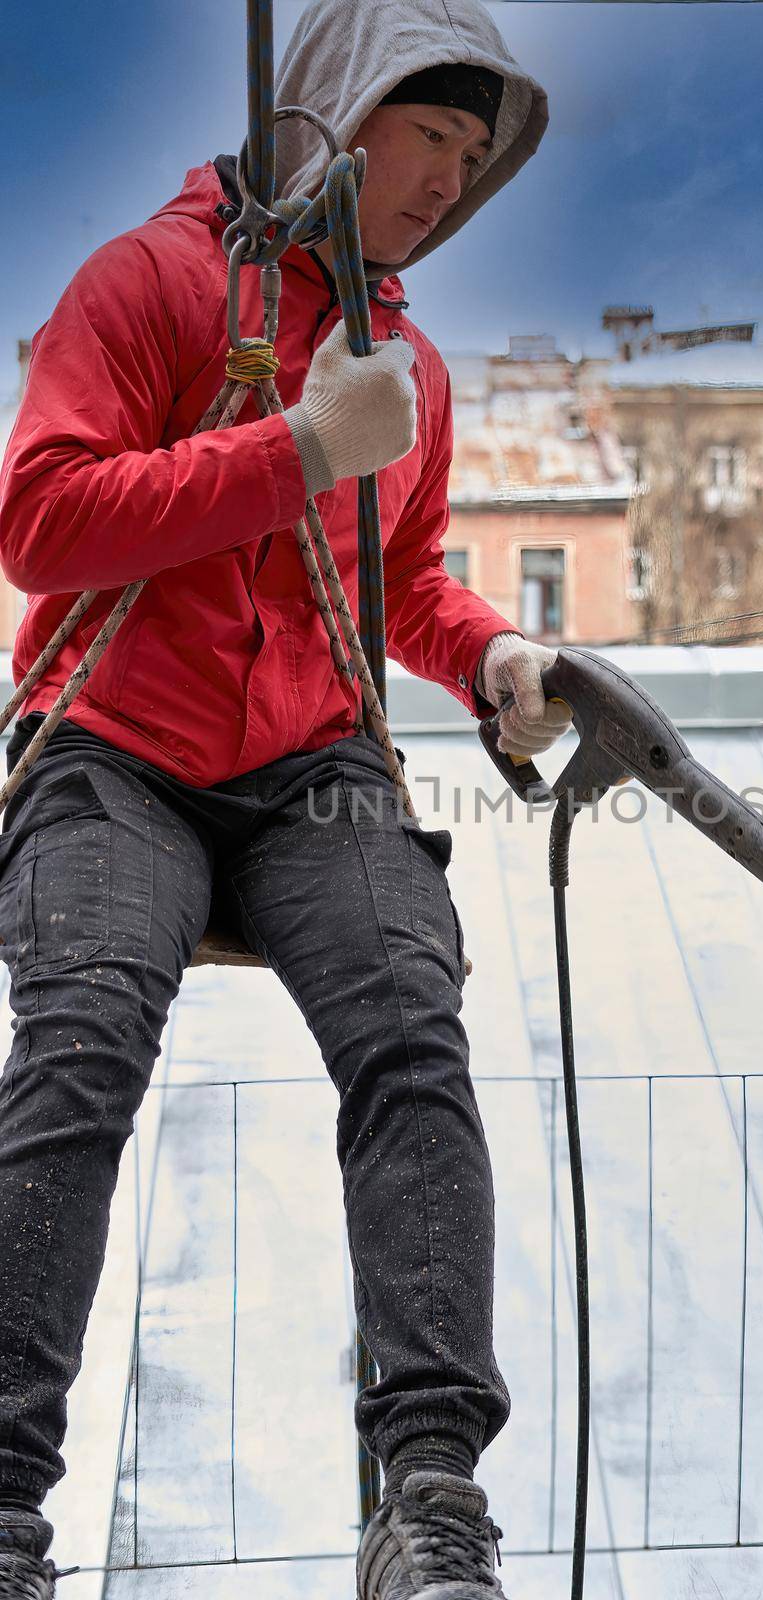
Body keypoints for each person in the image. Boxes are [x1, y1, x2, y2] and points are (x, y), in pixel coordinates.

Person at [0, 2, 568, 1595]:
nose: (449, 182)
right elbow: (43, 526)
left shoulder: (408, 371)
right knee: (88, 1025)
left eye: (473, 156)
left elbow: (390, 589)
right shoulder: (150, 285)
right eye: (428, 139)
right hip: (115, 740)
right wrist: (297, 443)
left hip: (310, 757)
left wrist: (494, 650)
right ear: (334, 117)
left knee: (411, 1034)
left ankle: (431, 1495)